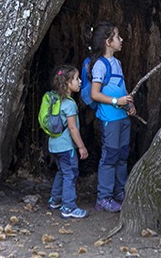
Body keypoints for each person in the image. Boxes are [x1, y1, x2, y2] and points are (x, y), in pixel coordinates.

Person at [88, 22, 134, 212]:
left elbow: (120, 88)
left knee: (122, 156)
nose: (121, 40)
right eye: (117, 37)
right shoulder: (100, 65)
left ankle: (119, 193)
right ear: (108, 42)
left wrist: (129, 104)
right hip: (110, 119)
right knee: (110, 157)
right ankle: (104, 197)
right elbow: (95, 94)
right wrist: (117, 101)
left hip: (123, 118)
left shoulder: (118, 63)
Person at [47, 65, 89, 218]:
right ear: (67, 83)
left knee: (62, 171)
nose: (80, 81)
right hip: (66, 147)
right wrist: (81, 147)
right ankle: (69, 207)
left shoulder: (54, 100)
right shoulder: (70, 104)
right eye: (76, 79)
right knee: (70, 174)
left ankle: (55, 199)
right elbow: (72, 128)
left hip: (54, 145)